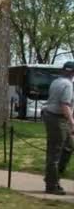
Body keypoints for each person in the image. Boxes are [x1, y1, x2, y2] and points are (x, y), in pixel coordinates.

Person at [43, 61, 74, 195]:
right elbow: (65, 106)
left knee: (68, 147)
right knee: (55, 151)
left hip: (53, 116)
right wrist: (72, 122)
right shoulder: (68, 85)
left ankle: (53, 177)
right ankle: (52, 184)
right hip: (57, 118)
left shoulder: (56, 81)